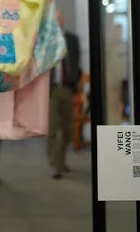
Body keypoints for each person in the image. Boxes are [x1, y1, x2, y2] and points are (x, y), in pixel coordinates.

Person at [47, 11, 81, 179]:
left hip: (67, 88)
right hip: (51, 90)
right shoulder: (45, 40)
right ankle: (54, 165)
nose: (57, 22)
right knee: (53, 129)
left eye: (59, 19)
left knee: (68, 130)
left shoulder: (72, 40)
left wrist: (77, 85)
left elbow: (77, 63)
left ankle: (62, 160)